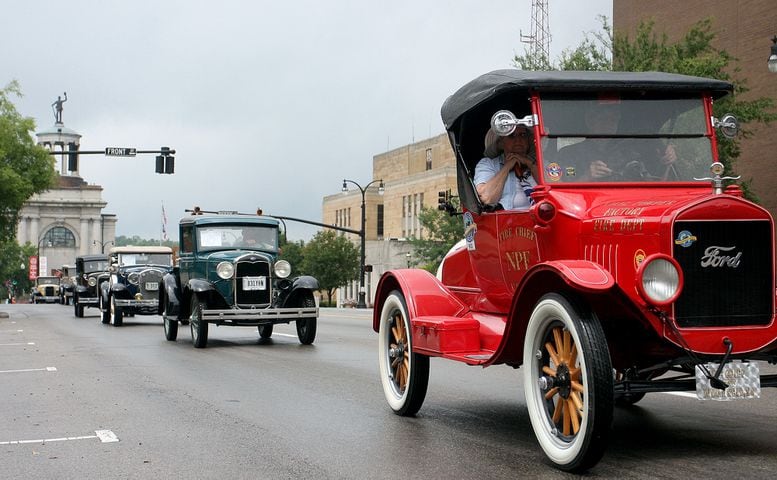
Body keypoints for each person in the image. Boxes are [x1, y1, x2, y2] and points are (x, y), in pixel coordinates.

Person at [558, 102, 676, 181]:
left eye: (614, 120)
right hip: (587, 212)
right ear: (590, 121)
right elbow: (559, 193)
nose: (609, 124)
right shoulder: (569, 154)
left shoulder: (631, 152)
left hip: (630, 209)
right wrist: (587, 176)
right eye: (604, 119)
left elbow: (656, 188)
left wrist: (667, 162)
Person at [473, 123, 538, 210]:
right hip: (505, 221)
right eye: (511, 135)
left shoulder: (540, 163)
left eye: (523, 135)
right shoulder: (488, 164)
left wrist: (530, 164)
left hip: (542, 220)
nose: (518, 140)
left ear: (528, 140)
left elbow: (558, 193)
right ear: (501, 142)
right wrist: (507, 166)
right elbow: (486, 198)